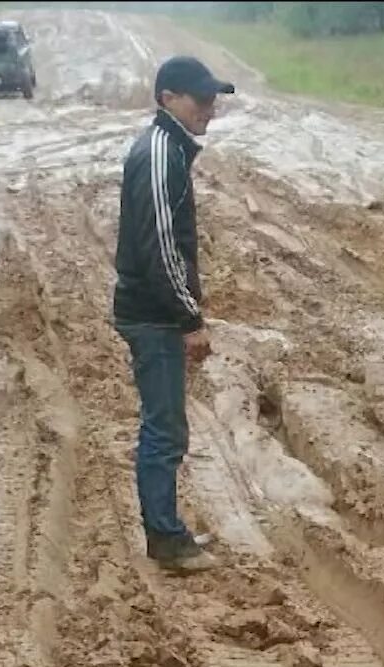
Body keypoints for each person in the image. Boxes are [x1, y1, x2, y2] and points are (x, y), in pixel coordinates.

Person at [113, 56, 235, 573]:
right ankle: (166, 539)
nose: (211, 109)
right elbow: (162, 248)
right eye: (201, 99)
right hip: (154, 315)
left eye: (214, 100)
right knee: (164, 431)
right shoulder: (162, 153)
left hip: (151, 310)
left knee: (165, 427)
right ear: (168, 99)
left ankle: (167, 526)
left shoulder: (165, 148)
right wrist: (190, 318)